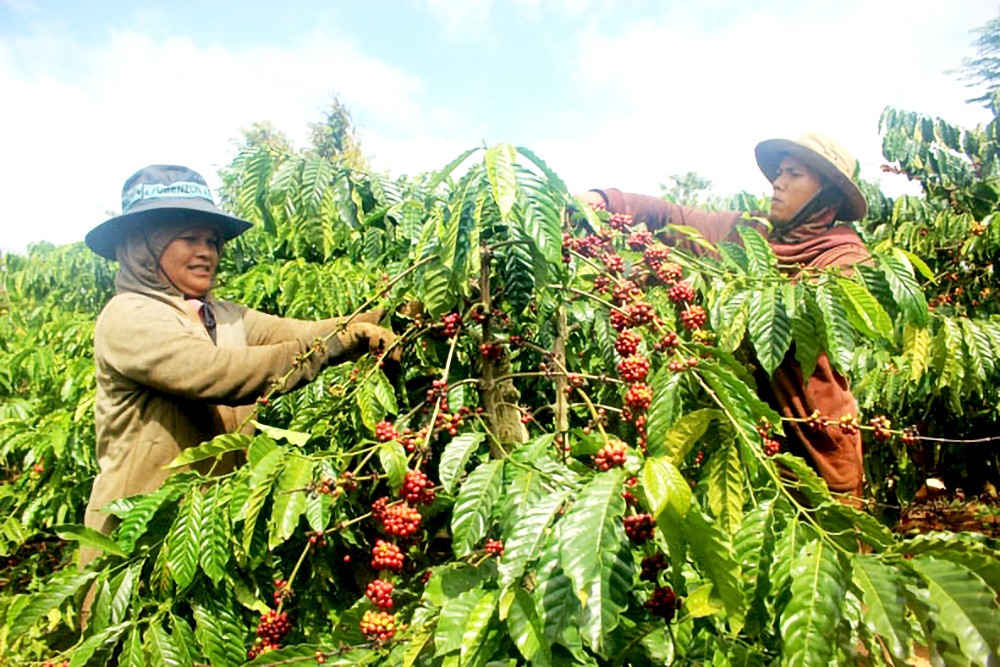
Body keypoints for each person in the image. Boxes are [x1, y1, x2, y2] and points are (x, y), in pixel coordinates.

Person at [81, 164, 398, 554]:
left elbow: (302, 332)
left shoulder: (223, 315)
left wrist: (391, 315)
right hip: (137, 541)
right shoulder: (128, 315)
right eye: (189, 238)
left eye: (212, 241)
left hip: (210, 527)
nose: (206, 252)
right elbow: (214, 373)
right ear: (144, 247)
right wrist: (332, 348)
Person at [578, 132, 869, 498]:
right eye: (779, 172)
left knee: (829, 546)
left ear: (827, 194)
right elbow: (674, 216)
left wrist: (712, 280)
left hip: (818, 437)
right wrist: (605, 200)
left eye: (793, 174)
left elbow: (804, 320)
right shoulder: (748, 232)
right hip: (748, 431)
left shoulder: (846, 256)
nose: (777, 183)